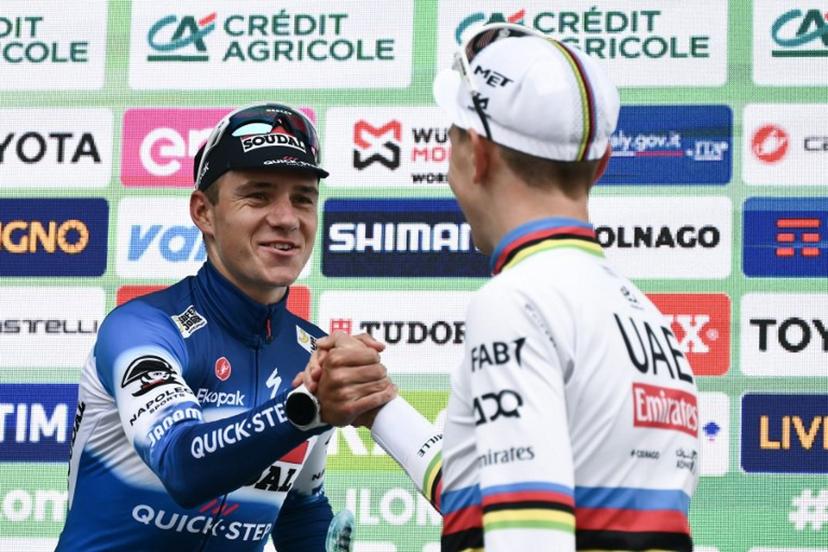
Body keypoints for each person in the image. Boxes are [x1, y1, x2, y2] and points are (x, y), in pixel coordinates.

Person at [300, 23, 700, 551]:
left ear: (478, 154)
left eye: (451, 136)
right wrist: (380, 406)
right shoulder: (645, 317)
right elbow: (493, 502)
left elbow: (526, 535)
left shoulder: (519, 302)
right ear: (599, 166)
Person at [56, 103, 395, 551]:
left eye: (303, 199)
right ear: (203, 212)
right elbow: (182, 467)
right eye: (258, 195)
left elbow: (298, 510)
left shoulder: (312, 352)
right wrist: (307, 408)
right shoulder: (142, 329)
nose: (287, 218)